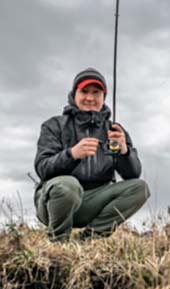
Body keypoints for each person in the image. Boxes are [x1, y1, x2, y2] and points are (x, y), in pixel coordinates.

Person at [34, 67, 150, 241]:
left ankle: (89, 239)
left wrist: (124, 151)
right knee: (68, 185)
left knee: (140, 188)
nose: (90, 98)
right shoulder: (54, 125)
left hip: (93, 202)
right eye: (84, 91)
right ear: (74, 95)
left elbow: (133, 175)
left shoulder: (115, 130)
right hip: (54, 204)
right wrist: (72, 154)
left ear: (103, 97)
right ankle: (59, 241)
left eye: (96, 93)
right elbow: (43, 168)